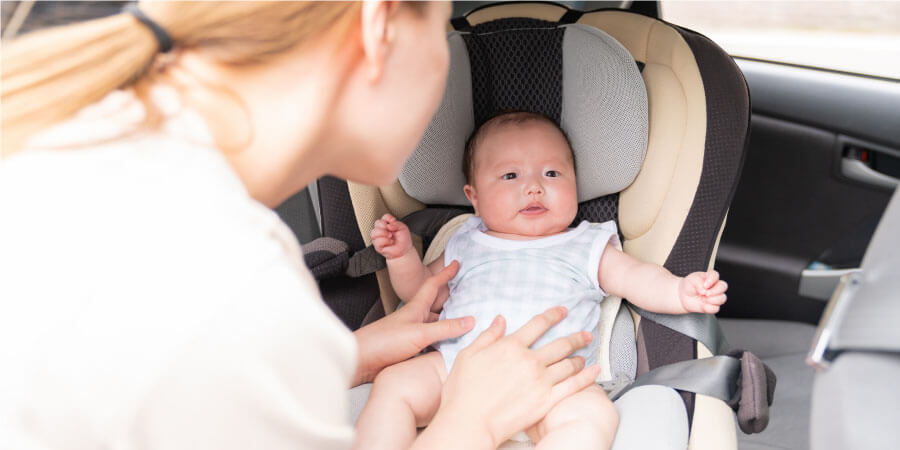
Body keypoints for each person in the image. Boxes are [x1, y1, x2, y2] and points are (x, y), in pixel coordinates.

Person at [0, 2, 602, 449]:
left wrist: (349, 356)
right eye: (441, 28)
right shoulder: (235, 289)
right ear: (379, 25)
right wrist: (471, 421)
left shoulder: (87, 156)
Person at [357, 112, 729, 449]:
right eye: (510, 175)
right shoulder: (464, 241)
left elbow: (636, 278)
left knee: (593, 418)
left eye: (552, 174)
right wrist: (402, 256)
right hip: (457, 368)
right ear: (474, 197)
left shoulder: (586, 244)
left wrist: (679, 291)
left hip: (553, 382)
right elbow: (421, 296)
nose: (534, 187)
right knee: (394, 386)